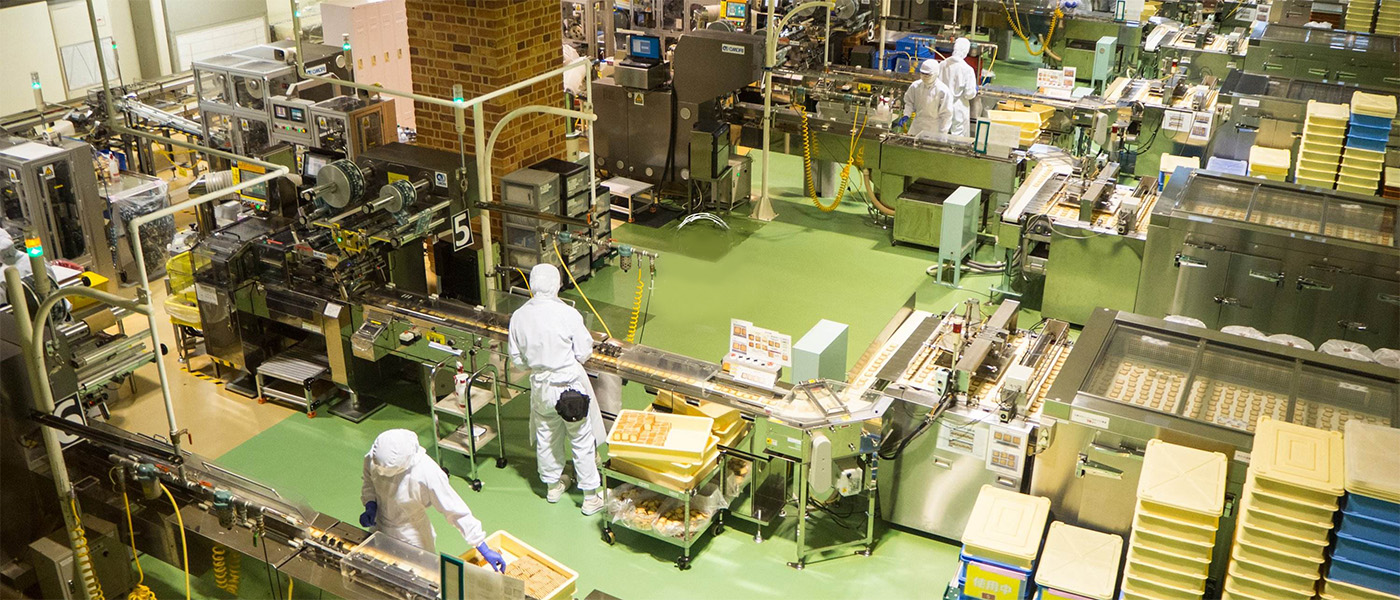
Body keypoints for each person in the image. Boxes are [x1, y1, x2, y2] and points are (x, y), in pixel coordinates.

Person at [508, 264, 607, 516]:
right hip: (569, 388)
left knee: (546, 436)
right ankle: (590, 497)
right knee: (581, 440)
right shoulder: (567, 314)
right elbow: (583, 352)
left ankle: (553, 487)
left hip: (541, 388)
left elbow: (518, 360)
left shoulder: (519, 316)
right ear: (556, 284)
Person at [359, 429, 505, 571]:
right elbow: (369, 481)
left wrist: (482, 546)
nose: (382, 471)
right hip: (380, 527)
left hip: (411, 536)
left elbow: (454, 510)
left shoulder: (427, 472)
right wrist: (370, 504)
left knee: (420, 576)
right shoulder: (376, 457)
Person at [900, 59, 954, 139]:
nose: (925, 77)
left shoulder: (943, 90)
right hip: (917, 126)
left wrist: (943, 133)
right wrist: (906, 114)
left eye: (928, 75)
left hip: (934, 129)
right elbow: (909, 102)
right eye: (923, 74)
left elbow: (946, 114)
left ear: (936, 73)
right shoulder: (915, 86)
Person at [941, 38, 979, 137]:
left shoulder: (942, 64)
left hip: (942, 104)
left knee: (941, 132)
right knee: (958, 135)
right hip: (959, 107)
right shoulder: (967, 69)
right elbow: (969, 94)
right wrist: (974, 90)